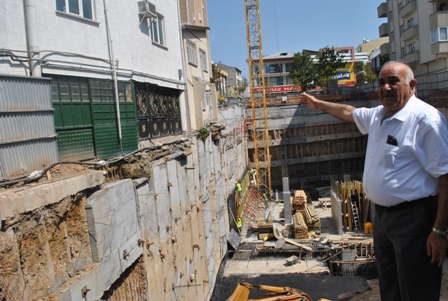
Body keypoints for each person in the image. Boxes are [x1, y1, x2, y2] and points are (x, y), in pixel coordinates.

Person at [301, 61, 448, 301]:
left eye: (393, 82)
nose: (386, 87)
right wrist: (317, 104)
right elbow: (349, 112)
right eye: (382, 82)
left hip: (414, 220)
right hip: (382, 218)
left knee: (416, 289)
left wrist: (439, 231)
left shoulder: (426, 121)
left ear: (412, 86)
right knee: (390, 287)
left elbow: (446, 177)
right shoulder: (379, 115)